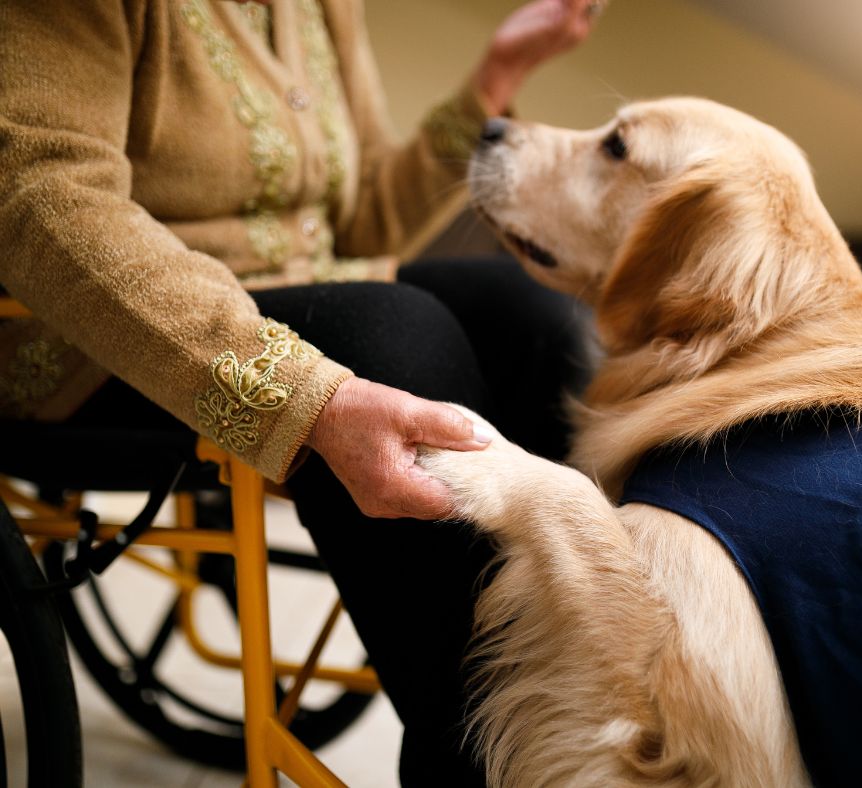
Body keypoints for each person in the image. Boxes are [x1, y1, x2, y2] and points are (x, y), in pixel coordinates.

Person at [0, 0, 603, 782]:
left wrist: (496, 78)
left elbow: (359, 225)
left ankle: (577, 702)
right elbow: (38, 194)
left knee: (537, 321)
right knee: (396, 336)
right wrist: (300, 393)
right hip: (87, 338)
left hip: (303, 292)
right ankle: (474, 761)